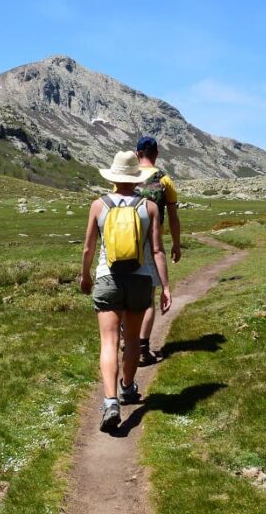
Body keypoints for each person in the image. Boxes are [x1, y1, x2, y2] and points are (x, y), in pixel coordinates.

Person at [80, 150, 171, 432]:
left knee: (108, 341)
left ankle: (110, 402)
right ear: (136, 177)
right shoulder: (150, 207)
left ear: (114, 176)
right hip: (140, 279)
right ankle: (128, 387)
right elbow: (156, 250)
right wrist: (165, 286)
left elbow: (88, 247)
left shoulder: (99, 205)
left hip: (108, 278)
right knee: (131, 340)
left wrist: (85, 275)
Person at [131, 136, 181, 365]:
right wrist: (176, 244)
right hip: (152, 242)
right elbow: (172, 217)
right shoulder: (165, 180)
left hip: (126, 240)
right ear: (157, 154)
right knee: (149, 296)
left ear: (137, 153)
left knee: (126, 289)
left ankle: (127, 339)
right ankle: (142, 349)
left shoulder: (126, 178)